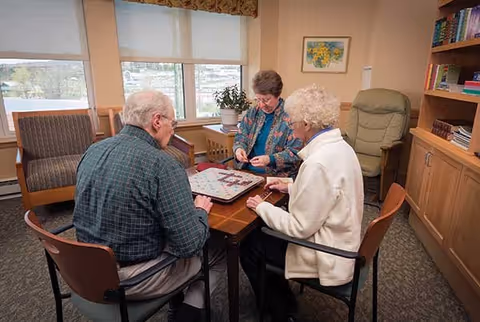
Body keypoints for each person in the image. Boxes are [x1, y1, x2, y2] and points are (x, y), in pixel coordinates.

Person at [73, 90, 225, 322]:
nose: (173, 129)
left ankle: (177, 305)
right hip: (131, 279)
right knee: (218, 249)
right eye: (172, 122)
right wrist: (200, 211)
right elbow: (188, 245)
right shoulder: (163, 165)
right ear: (156, 121)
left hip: (85, 270)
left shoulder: (93, 150)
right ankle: (187, 315)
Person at [240, 84, 364, 322]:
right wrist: (291, 186)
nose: (291, 126)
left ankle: (278, 312)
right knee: (262, 237)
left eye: (293, 121)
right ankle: (283, 300)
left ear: (307, 124)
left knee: (250, 245)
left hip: (327, 252)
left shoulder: (318, 163)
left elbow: (299, 227)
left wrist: (261, 206)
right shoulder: (341, 148)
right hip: (343, 238)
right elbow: (327, 193)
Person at [233, 70, 303, 177]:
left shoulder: (291, 116)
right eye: (258, 99)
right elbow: (241, 135)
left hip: (275, 178)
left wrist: (269, 159)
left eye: (266, 100)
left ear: (278, 95)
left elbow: (295, 153)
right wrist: (239, 149)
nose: (261, 105)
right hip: (246, 171)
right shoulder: (253, 112)